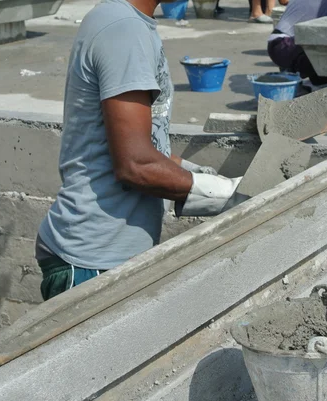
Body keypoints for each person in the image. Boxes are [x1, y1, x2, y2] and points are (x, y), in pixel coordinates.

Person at [36, 0, 242, 301]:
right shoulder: (124, 29)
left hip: (105, 253)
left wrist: (195, 172)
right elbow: (135, 164)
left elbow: (142, 145)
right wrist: (230, 195)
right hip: (92, 261)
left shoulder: (129, 23)